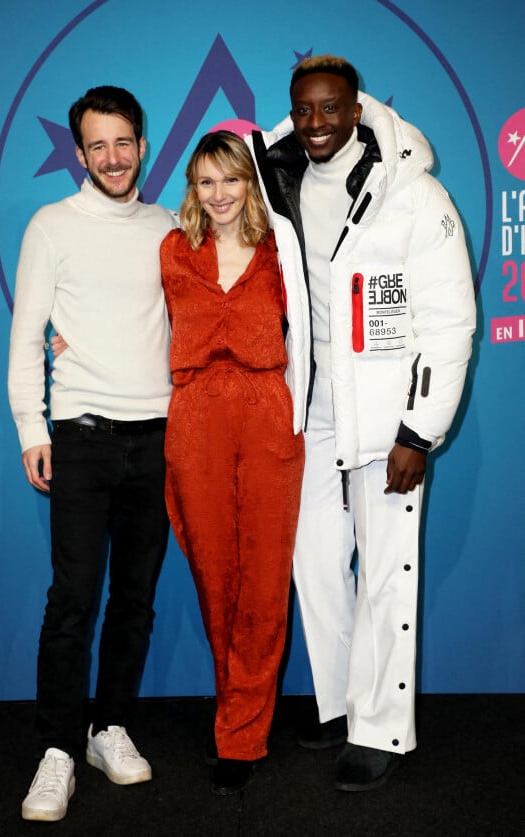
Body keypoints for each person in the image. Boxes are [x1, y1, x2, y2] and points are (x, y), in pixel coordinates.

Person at [248, 55, 476, 791]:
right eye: (304, 109)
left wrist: (420, 430)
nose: (316, 123)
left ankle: (381, 725)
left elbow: (450, 323)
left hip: (386, 417)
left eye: (330, 108)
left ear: (356, 107)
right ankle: (341, 700)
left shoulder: (413, 194)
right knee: (314, 563)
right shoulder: (273, 184)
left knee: (384, 568)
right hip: (307, 407)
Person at [8, 85, 176, 822]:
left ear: (143, 144)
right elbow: (26, 337)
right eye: (97, 144)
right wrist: (31, 428)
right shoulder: (52, 224)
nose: (112, 156)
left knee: (134, 601)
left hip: (160, 438)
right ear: (79, 152)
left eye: (123, 141)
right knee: (72, 599)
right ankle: (56, 749)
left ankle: (109, 727)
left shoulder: (171, 224)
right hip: (78, 435)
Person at [159, 131, 305, 795]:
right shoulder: (172, 249)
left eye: (230, 179)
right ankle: (234, 709)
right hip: (194, 419)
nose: (218, 195)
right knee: (216, 573)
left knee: (266, 578)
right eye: (205, 181)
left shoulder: (281, 249)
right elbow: (125, 312)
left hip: (267, 412)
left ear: (251, 183)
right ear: (192, 187)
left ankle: (242, 733)